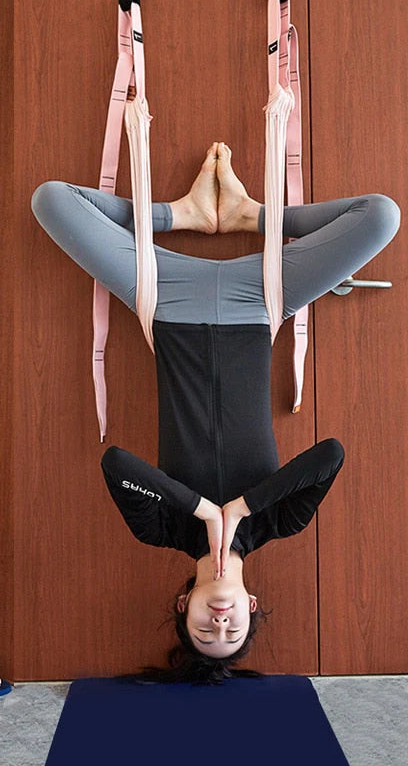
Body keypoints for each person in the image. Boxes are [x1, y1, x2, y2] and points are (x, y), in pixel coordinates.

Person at [31, 142, 400, 681]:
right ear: (251, 608)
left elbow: (117, 464)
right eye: (232, 632)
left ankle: (183, 214)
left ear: (185, 606)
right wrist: (244, 508)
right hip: (263, 302)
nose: (219, 622)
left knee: (51, 201)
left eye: (205, 631)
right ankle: (252, 216)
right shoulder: (281, 520)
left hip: (163, 298)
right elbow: (330, 455)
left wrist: (205, 512)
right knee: (382, 216)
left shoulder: (160, 528)